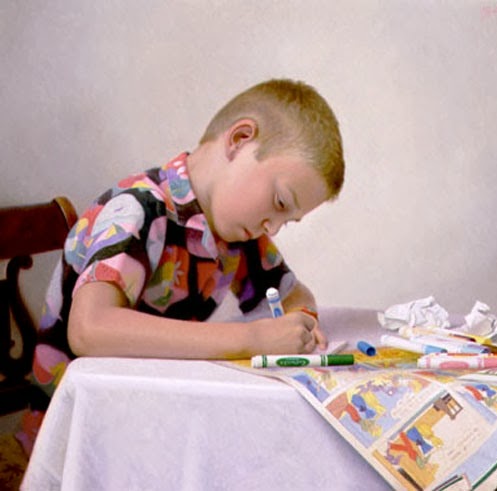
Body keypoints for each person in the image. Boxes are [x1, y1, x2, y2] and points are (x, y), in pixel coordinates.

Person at [17, 78, 345, 454]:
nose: (273, 227)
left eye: (288, 220)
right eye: (280, 203)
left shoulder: (237, 235)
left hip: (154, 424)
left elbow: (295, 295)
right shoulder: (137, 209)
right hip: (78, 440)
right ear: (240, 140)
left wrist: (301, 325)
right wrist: (252, 338)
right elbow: (89, 329)